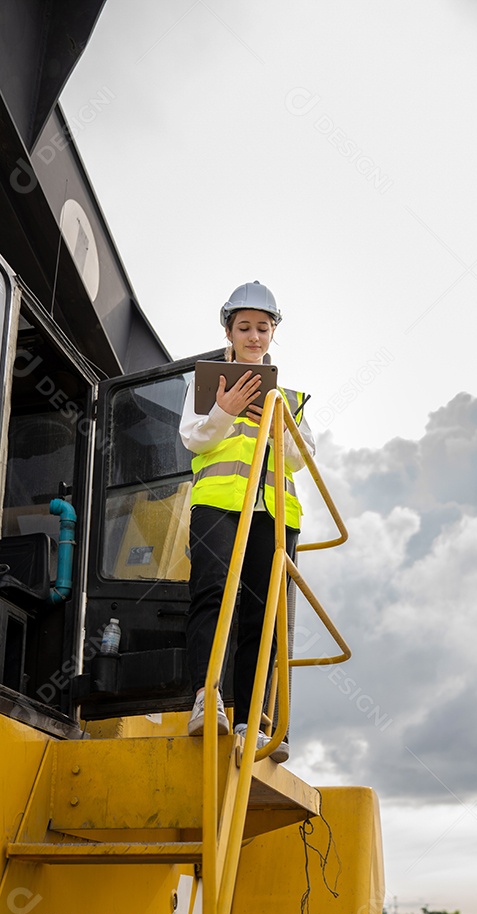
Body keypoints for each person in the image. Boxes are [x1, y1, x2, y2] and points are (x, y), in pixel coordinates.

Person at [179, 281, 315, 763]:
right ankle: (206, 698)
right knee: (214, 595)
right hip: (218, 506)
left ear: (273, 332)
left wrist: (278, 425)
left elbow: (302, 459)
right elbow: (193, 441)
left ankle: (253, 721)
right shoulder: (204, 383)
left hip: (274, 516)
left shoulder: (288, 398)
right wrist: (225, 410)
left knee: (264, 613)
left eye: (263, 327)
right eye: (245, 327)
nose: (254, 337)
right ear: (228, 330)